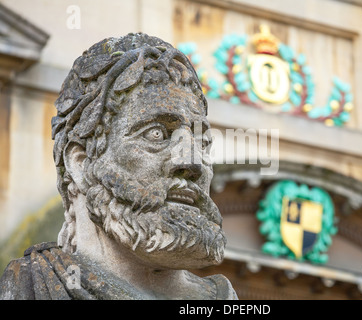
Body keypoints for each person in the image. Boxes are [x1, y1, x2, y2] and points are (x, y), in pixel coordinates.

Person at [0, 33, 237, 300]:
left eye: (201, 142)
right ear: (80, 163)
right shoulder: (31, 287)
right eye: (156, 134)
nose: (192, 162)